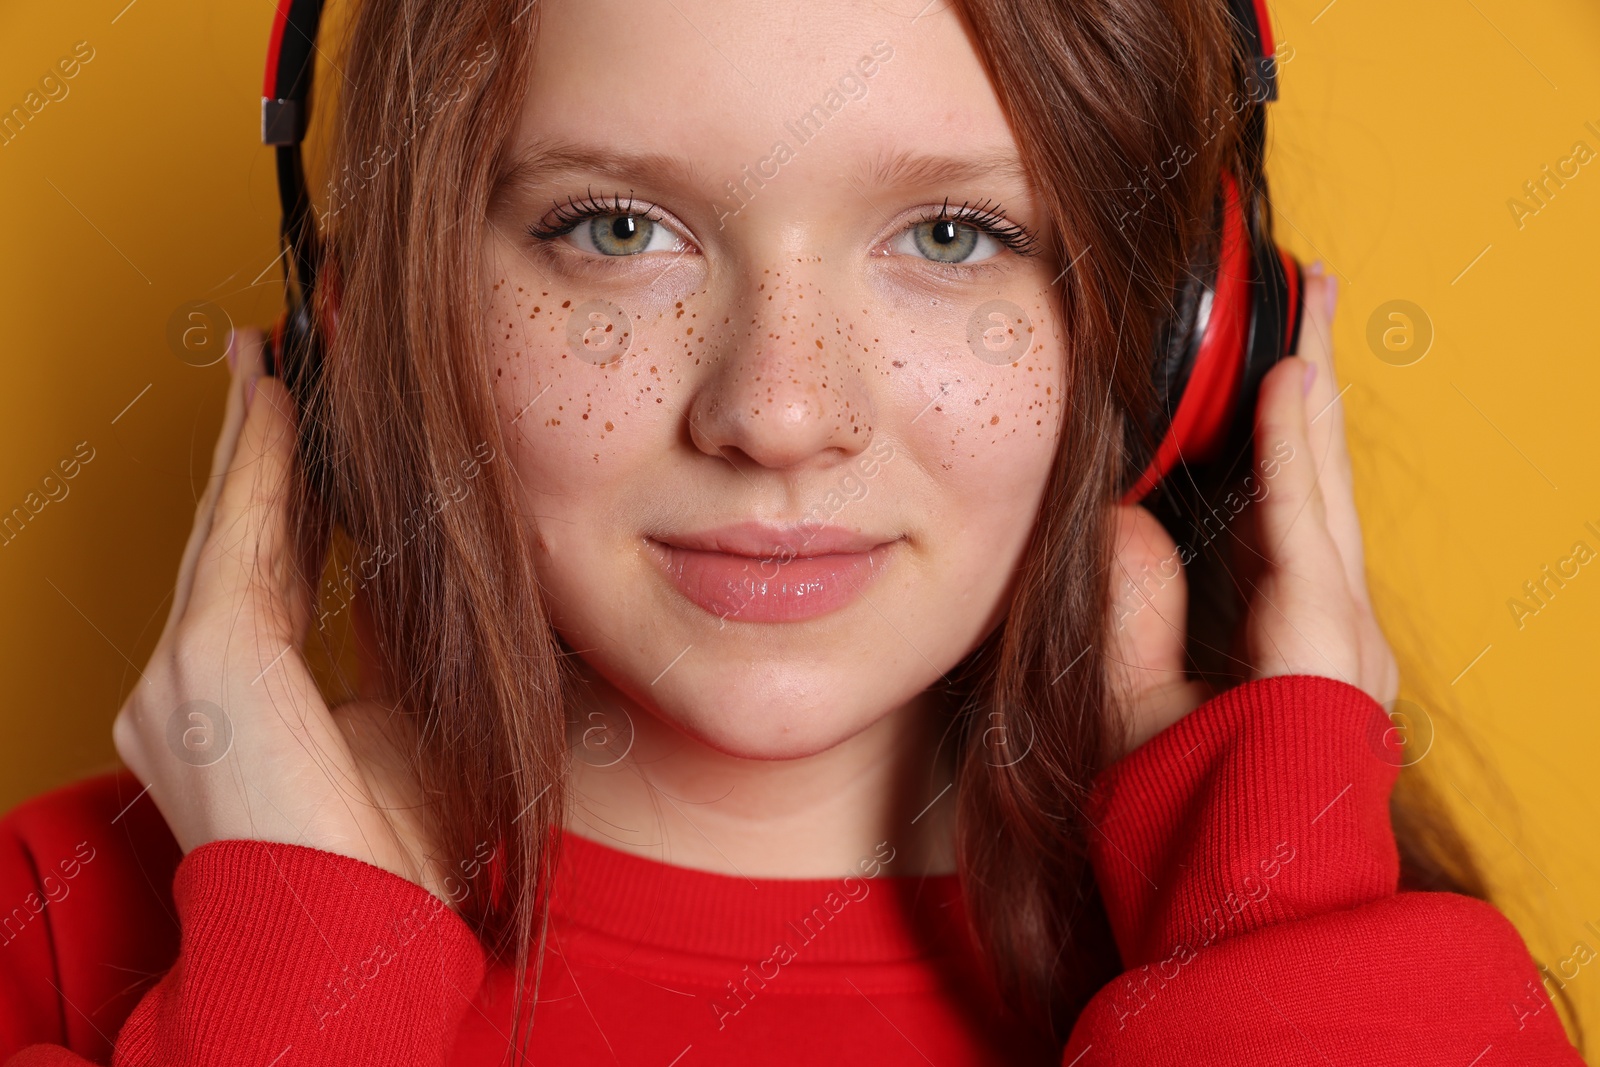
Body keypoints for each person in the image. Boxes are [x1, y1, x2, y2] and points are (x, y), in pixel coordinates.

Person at [0, 0, 1584, 1063]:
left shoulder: (1391, 996)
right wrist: (299, 977)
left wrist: (1276, 915)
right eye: (619, 230)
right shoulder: (57, 945)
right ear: (382, 319)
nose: (778, 411)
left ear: (1187, 344)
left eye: (955, 235)